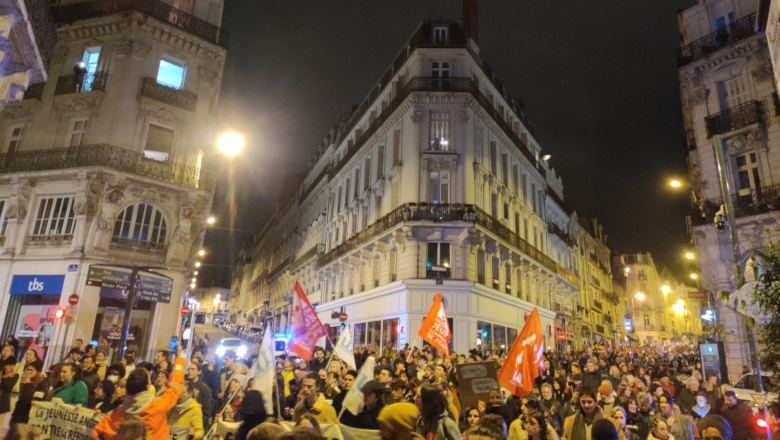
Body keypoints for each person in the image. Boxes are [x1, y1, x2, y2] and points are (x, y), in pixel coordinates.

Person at [92, 344, 187, 440]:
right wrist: (179, 357)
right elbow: (175, 386)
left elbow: (98, 433)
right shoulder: (158, 407)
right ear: (147, 386)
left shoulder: (116, 416)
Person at [187, 362, 213, 432]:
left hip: (197, 424)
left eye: (193, 369)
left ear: (199, 372)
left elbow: (207, 411)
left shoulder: (204, 388)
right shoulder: (185, 386)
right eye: (189, 369)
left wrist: (198, 424)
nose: (189, 371)